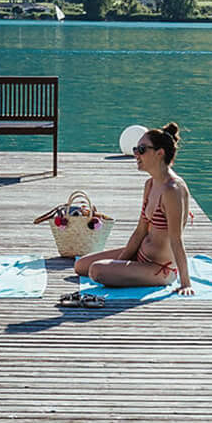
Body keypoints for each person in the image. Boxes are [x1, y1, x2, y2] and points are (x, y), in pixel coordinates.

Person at [73, 121, 194, 294]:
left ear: (159, 153)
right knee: (80, 265)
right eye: (136, 149)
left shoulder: (172, 190)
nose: (135, 154)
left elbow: (176, 239)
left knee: (96, 270)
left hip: (159, 268)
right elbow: (140, 231)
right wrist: (121, 263)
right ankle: (123, 268)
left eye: (142, 149)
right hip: (140, 255)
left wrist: (186, 283)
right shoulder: (150, 184)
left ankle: (159, 276)